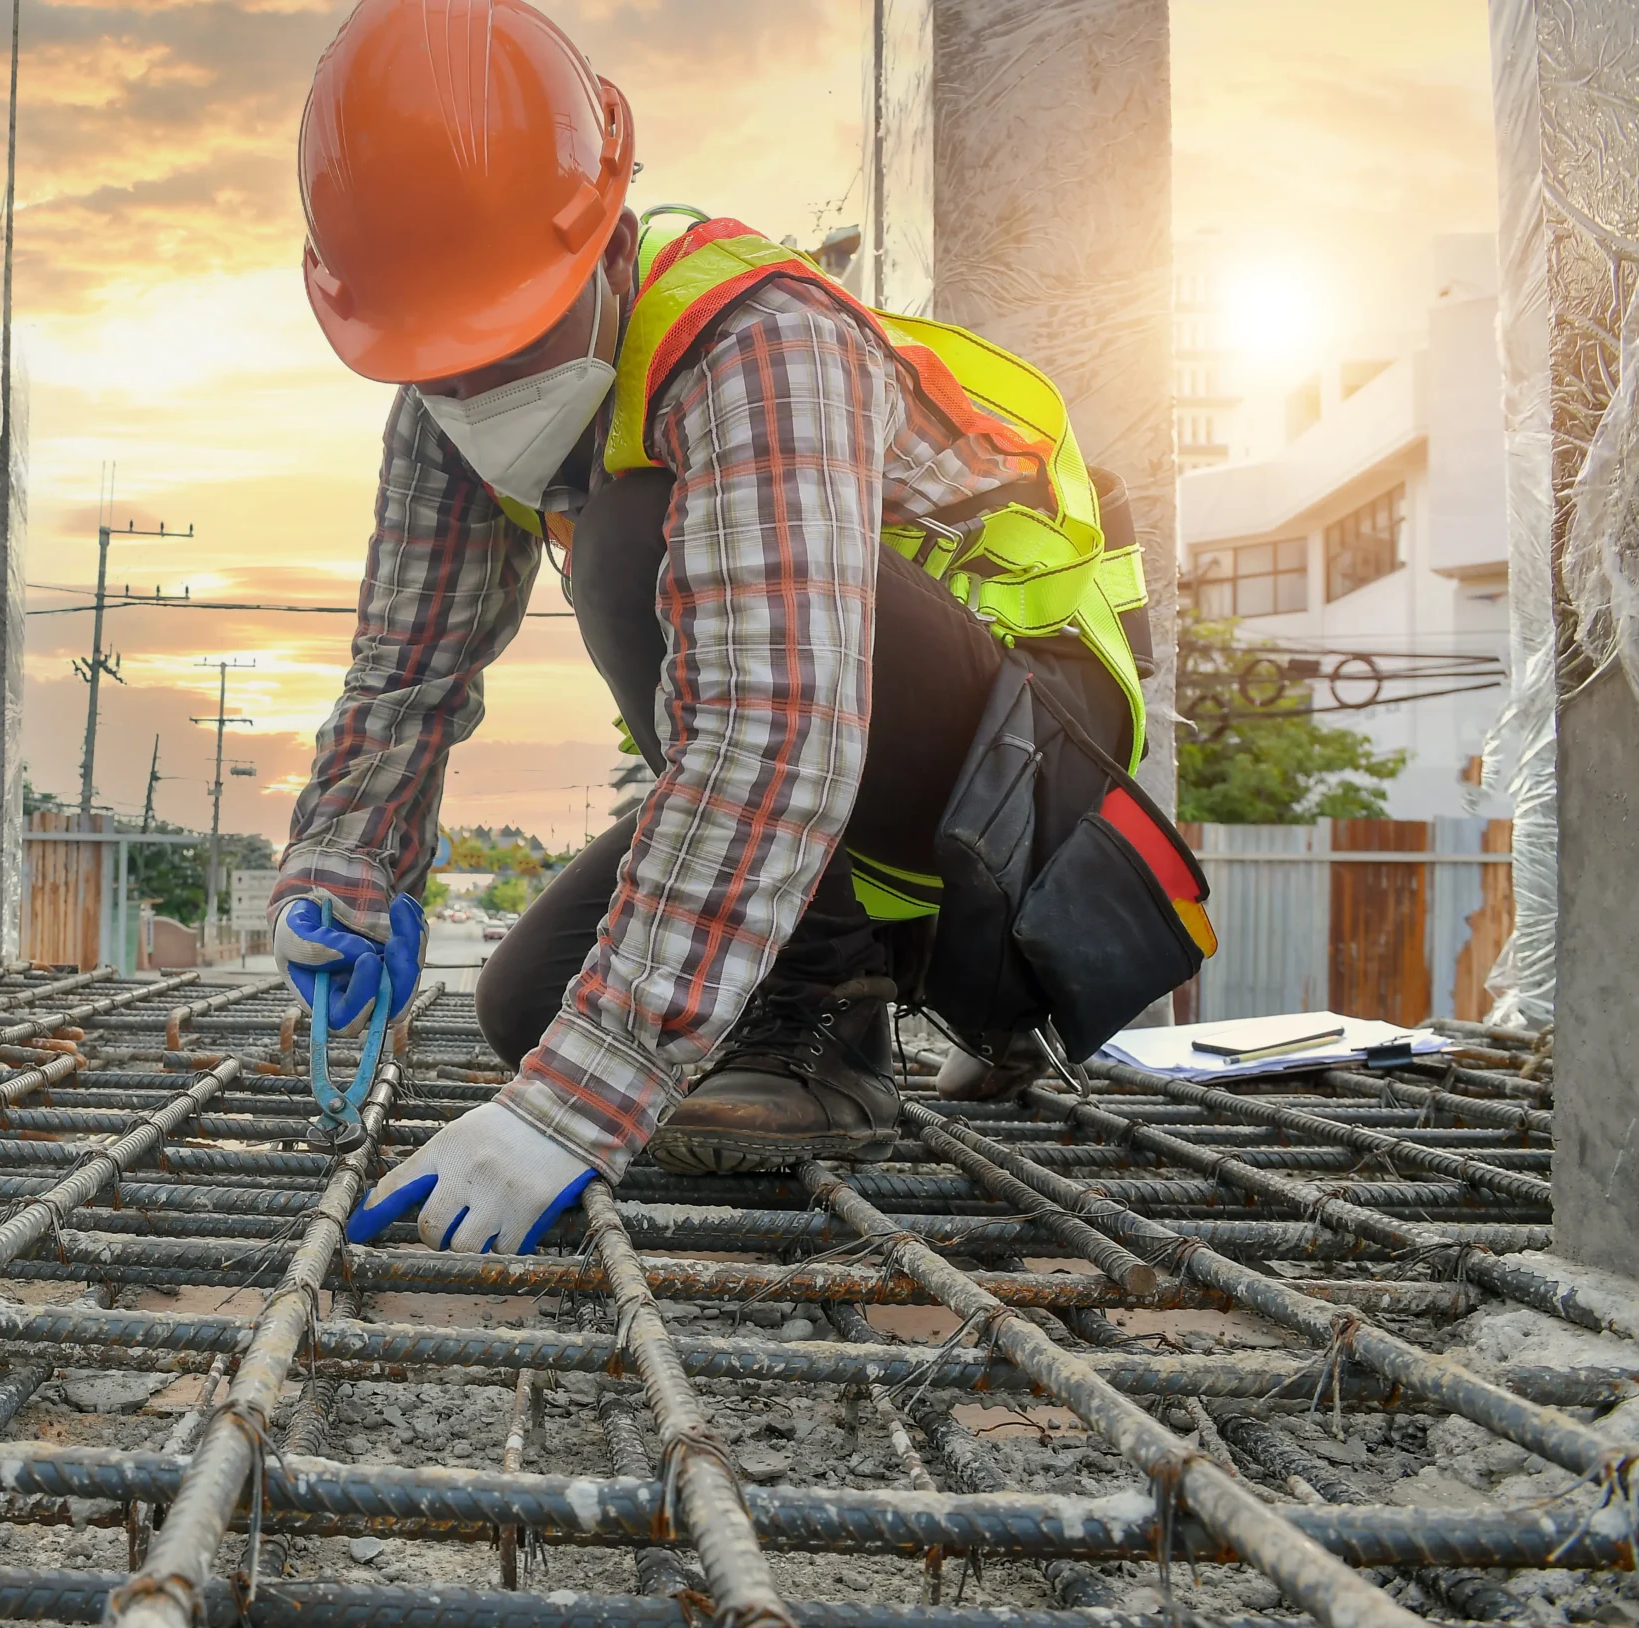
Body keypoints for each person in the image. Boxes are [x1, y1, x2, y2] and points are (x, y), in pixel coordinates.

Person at [269, 0, 1152, 1258]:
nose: (476, 389)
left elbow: (773, 727)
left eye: (504, 340)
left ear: (602, 242)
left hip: (1032, 816)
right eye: (435, 359)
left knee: (633, 539)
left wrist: (579, 1104)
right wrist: (343, 873)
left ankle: (831, 1008)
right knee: (534, 1009)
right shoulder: (445, 393)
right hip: (850, 786)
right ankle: (811, 986)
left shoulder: (763, 344)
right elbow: (403, 674)